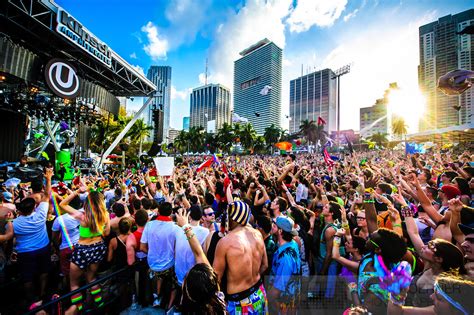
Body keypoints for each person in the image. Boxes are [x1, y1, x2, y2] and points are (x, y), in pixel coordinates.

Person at [60, 182, 111, 313]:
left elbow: (62, 204)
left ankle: (79, 310)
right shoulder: (105, 215)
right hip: (98, 248)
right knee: (91, 279)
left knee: (74, 284)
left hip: (82, 250)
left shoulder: (82, 216)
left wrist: (77, 192)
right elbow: (106, 233)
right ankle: (100, 307)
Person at [213, 200, 269, 314]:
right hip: (259, 292)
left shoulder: (225, 242)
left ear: (232, 217)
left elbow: (215, 279)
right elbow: (265, 265)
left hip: (239, 301)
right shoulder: (257, 234)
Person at [9, 168, 52, 309]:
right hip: (43, 248)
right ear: (34, 208)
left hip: (25, 252)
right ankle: (42, 293)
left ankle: (30, 298)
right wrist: (49, 178)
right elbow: (47, 195)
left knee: (27, 276)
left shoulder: (14, 224)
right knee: (44, 271)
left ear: (20, 210)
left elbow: (10, 237)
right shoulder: (40, 216)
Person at [140, 201, 180, 310]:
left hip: (152, 264)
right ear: (171, 212)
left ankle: (156, 296)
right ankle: (169, 306)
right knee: (173, 285)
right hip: (169, 265)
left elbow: (142, 247)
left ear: (158, 211)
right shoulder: (175, 228)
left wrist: (153, 254)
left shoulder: (149, 225)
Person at [267, 216, 301, 314]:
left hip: (283, 304)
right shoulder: (292, 243)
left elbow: (278, 287)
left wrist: (267, 298)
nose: (272, 227)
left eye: (274, 226)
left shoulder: (285, 257)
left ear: (280, 231)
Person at [175, 205, 209, 287]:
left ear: (189, 215)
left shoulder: (178, 229)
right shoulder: (206, 232)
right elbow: (204, 253)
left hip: (179, 271)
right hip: (193, 275)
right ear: (201, 217)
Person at [126, 209, 149, 307]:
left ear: (135, 221)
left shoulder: (132, 237)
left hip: (139, 265)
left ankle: (140, 301)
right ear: (147, 219)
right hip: (153, 262)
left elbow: (130, 262)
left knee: (140, 286)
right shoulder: (153, 232)